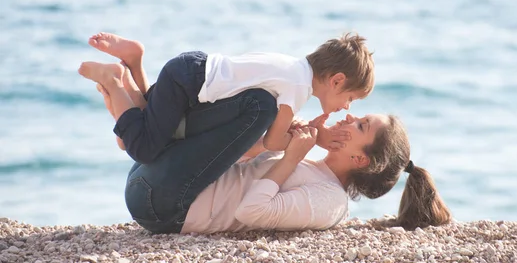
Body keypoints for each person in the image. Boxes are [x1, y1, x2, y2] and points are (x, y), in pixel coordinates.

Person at [95, 61, 451, 234]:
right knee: (260, 107)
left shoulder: (331, 203)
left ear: (361, 159)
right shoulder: (311, 161)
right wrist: (287, 138)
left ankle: (128, 95)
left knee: (260, 107)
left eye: (360, 126)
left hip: (166, 207)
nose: (347, 118)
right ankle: (134, 88)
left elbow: (252, 212)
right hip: (158, 178)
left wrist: (288, 157)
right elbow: (234, 156)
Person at [78, 32, 374, 164]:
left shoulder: (293, 67)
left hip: (190, 72)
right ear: (336, 80)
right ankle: (114, 80)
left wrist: (294, 129)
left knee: (146, 121)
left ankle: (134, 61)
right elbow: (272, 142)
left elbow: (275, 130)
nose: (346, 107)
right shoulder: (298, 88)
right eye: (350, 98)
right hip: (188, 85)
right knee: (142, 148)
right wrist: (312, 139)